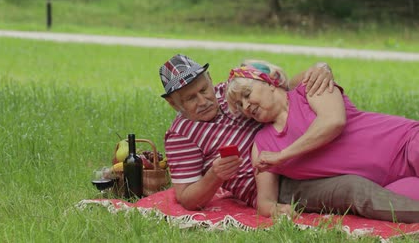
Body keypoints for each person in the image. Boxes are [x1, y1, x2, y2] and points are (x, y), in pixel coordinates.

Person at [159, 54, 419, 223]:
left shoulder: (231, 89)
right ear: (174, 104)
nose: (204, 100)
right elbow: (187, 199)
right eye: (190, 99)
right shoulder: (181, 136)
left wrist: (319, 68)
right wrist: (215, 175)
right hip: (282, 183)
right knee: (355, 187)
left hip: (301, 156)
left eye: (204, 90)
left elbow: (284, 84)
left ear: (210, 80)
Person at [225, 60, 419, 217]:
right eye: (240, 105)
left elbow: (333, 122)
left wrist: (283, 155)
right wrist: (278, 210)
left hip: (405, 142)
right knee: (403, 207)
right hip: (387, 184)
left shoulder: (309, 88)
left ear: (269, 82)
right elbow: (265, 202)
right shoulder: (262, 143)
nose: (246, 106)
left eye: (247, 94)